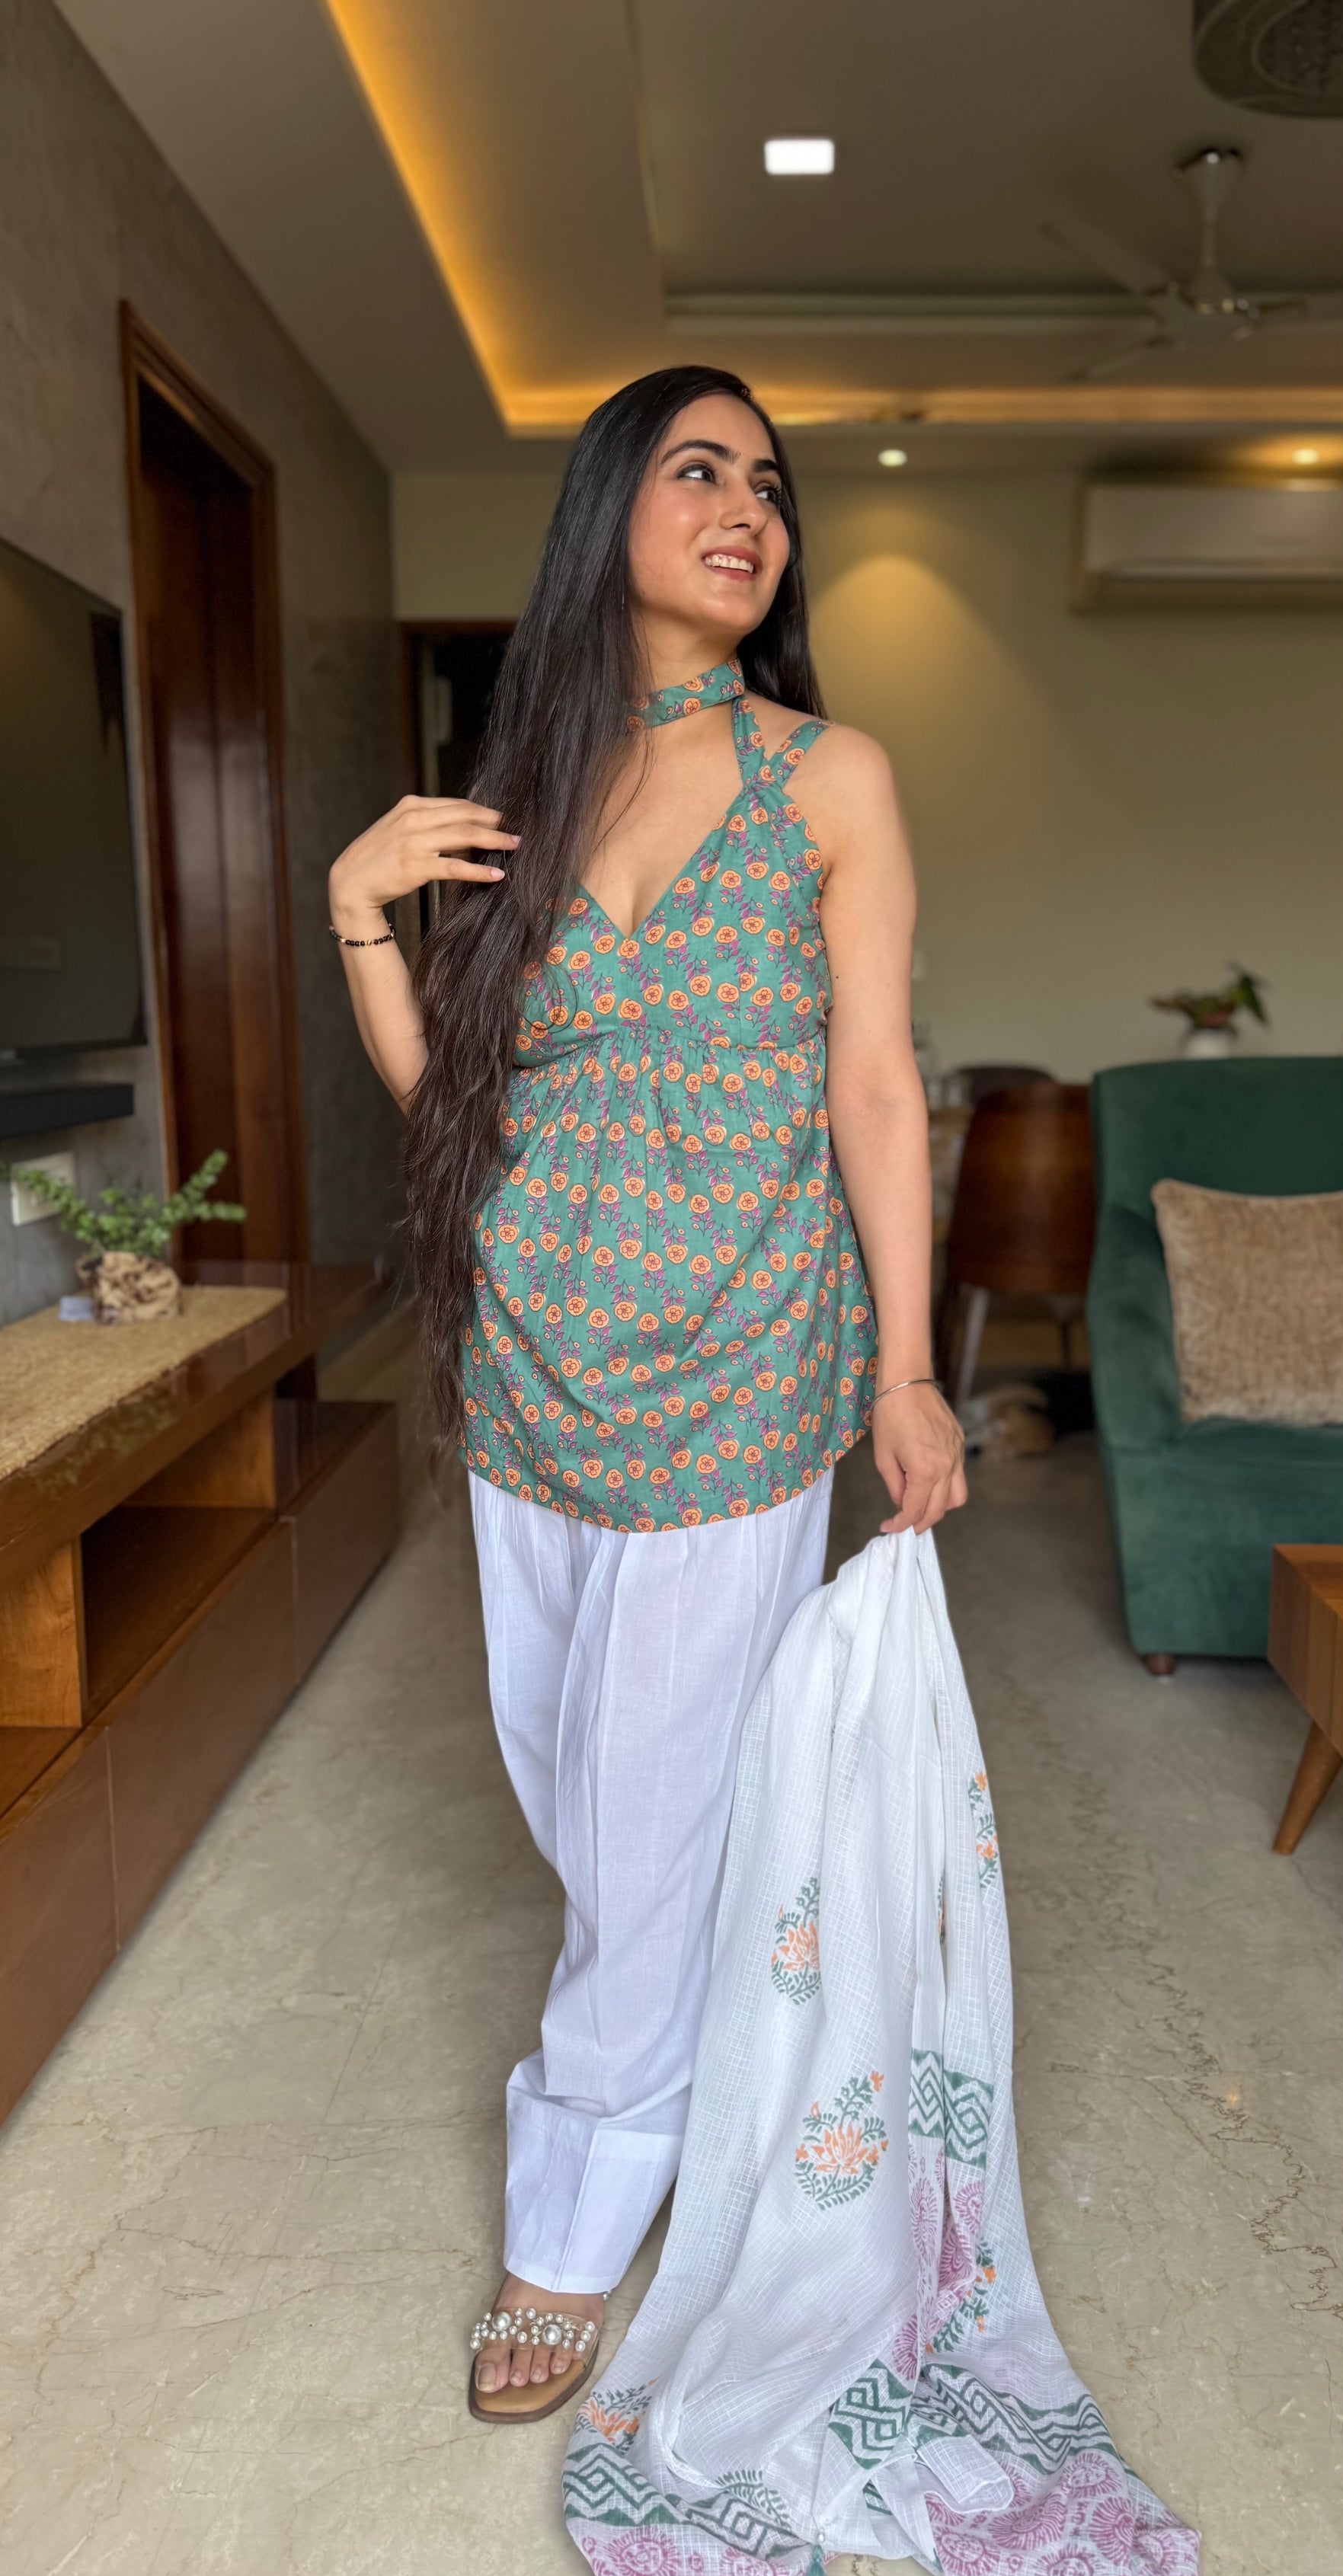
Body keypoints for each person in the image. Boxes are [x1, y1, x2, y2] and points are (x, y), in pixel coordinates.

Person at [329, 364, 966, 2424]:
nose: (747, 507)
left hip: (741, 1350)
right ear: (607, 506)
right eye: (698, 470)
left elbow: (875, 1085)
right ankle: (694, 2059)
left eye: (768, 483)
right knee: (575, 1782)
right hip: (530, 1359)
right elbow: (464, 1108)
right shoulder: (520, 789)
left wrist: (907, 1367)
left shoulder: (828, 776)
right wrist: (358, 918)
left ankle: (574, 2215)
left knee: (642, 1806)